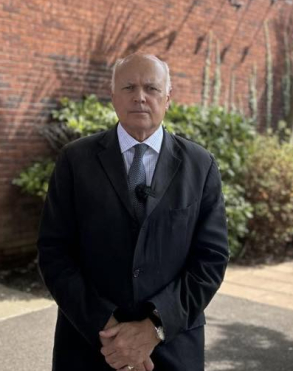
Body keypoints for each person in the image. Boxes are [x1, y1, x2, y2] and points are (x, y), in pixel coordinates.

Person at [37, 53, 229, 371]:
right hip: (90, 346)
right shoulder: (75, 160)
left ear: (167, 98)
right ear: (113, 97)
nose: (140, 96)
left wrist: (154, 327)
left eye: (151, 88)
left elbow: (211, 259)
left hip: (172, 349)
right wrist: (108, 329)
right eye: (128, 87)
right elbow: (54, 252)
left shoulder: (200, 165)